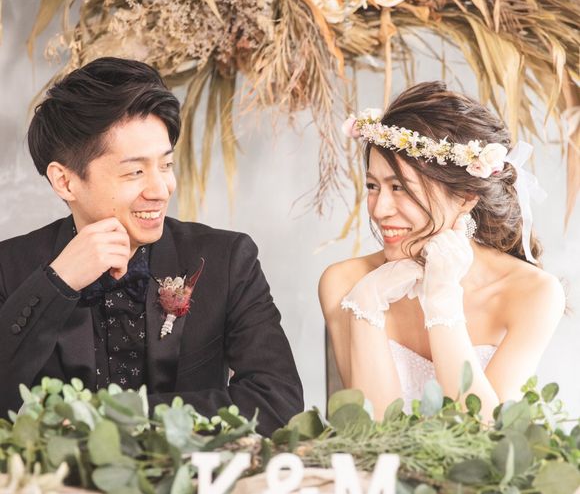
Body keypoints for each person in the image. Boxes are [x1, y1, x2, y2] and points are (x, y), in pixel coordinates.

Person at [0, 57, 303, 436]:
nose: (160, 190)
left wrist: (113, 417)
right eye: (135, 171)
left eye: (166, 165)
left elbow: (277, 402)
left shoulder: (227, 260)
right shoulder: (10, 267)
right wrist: (56, 284)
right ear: (65, 181)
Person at [319, 82, 565, 421]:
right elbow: (373, 433)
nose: (379, 209)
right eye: (373, 186)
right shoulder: (345, 282)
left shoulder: (534, 293)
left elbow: (485, 433)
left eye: (400, 188)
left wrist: (442, 301)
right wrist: (367, 302)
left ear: (466, 196)